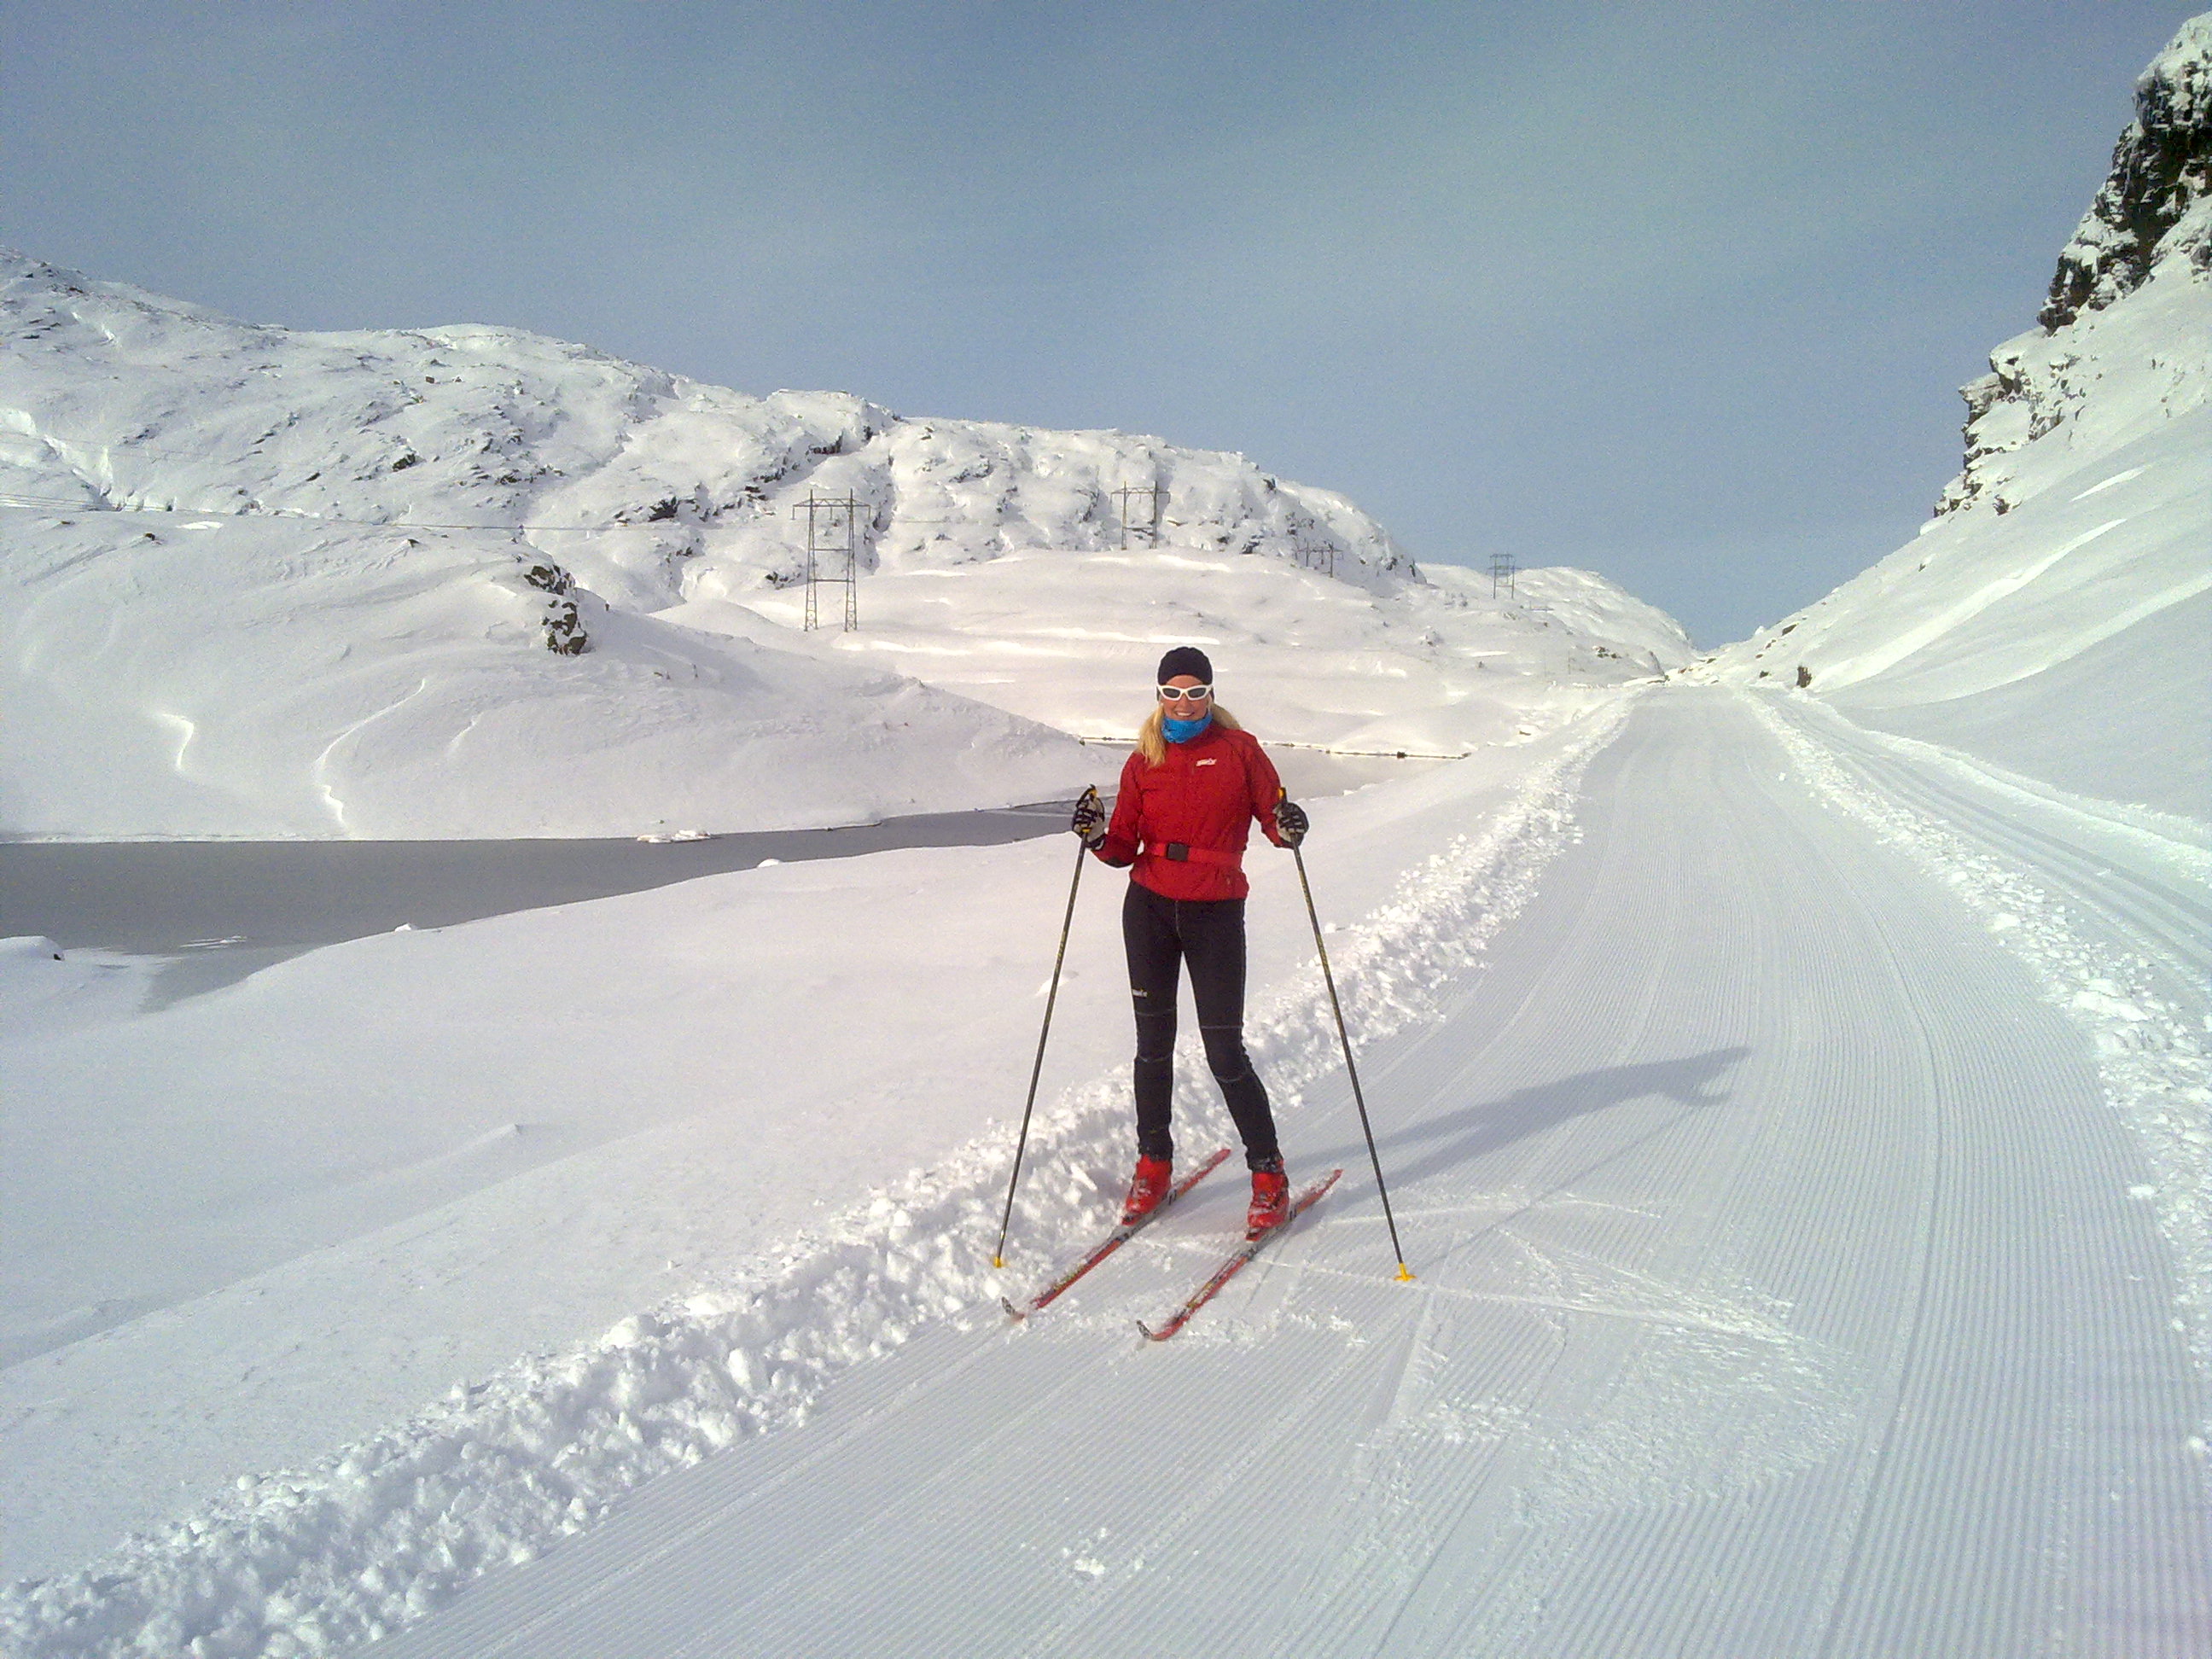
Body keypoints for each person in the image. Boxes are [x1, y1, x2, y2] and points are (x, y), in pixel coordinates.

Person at [1071, 647, 1311, 1239]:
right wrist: (1096, 836)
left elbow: (1274, 821)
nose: (1184, 703)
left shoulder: (1240, 751)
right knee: (1152, 1048)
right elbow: (1122, 847)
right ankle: (1153, 1165)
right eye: (1173, 693)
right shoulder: (1142, 760)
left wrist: (1289, 826)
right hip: (1149, 908)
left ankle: (1269, 1174)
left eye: (1195, 691)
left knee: (1224, 1052)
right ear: (1159, 696)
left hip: (1216, 910)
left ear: (1210, 694)